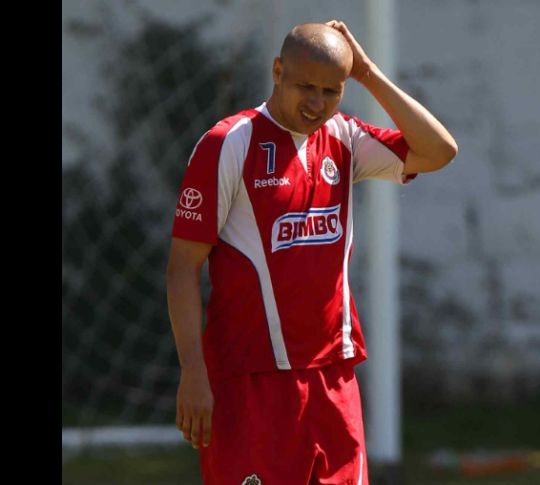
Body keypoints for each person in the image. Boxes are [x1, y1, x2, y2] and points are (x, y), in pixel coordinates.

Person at [166, 20, 457, 485]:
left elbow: (439, 150)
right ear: (277, 70)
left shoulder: (344, 137)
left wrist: (368, 73)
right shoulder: (228, 144)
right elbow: (183, 268)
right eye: (305, 86)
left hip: (333, 377)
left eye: (332, 90)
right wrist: (192, 374)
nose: (317, 103)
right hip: (250, 380)